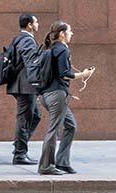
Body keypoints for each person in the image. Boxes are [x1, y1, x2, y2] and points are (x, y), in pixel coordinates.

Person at [37, 21, 95, 175]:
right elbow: (64, 74)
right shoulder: (62, 49)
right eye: (69, 31)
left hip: (46, 94)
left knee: (71, 125)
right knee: (54, 130)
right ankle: (45, 166)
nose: (72, 34)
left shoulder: (50, 48)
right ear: (62, 34)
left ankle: (62, 162)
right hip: (57, 95)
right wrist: (84, 74)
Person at [8, 13, 42, 165]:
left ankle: (19, 146)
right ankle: (20, 154)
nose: (38, 24)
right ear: (29, 24)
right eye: (36, 22)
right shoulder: (27, 40)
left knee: (35, 116)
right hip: (25, 86)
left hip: (20, 84)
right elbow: (31, 64)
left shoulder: (18, 39)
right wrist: (38, 84)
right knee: (24, 118)